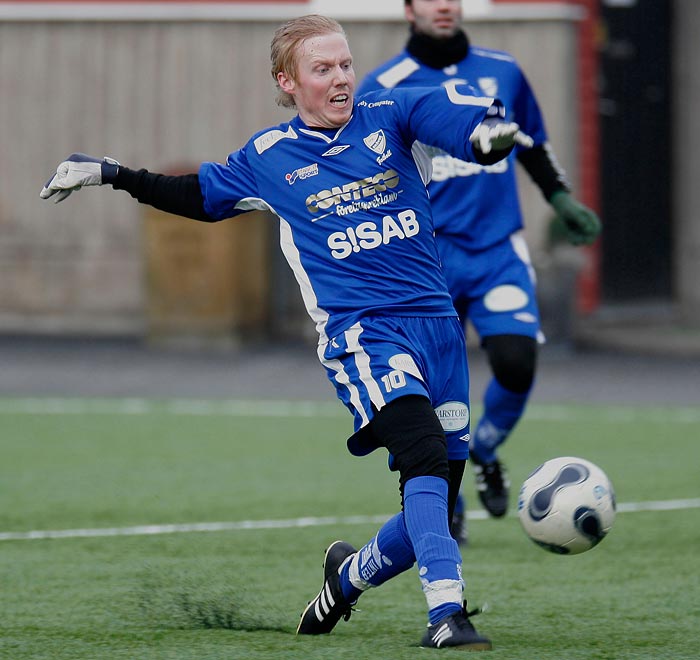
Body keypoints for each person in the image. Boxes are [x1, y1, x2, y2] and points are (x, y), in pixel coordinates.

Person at [40, 14, 532, 650]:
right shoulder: (269, 158)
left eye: (345, 65)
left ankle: (346, 578)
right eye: (322, 69)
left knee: (428, 506)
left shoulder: (390, 112)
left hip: (438, 329)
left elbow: (456, 123)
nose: (340, 79)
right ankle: (446, 612)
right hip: (366, 336)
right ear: (287, 81)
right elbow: (197, 196)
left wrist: (487, 134)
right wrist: (113, 174)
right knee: (423, 460)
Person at [357, 0, 601, 544]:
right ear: (409, 8)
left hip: (495, 252)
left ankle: (487, 449)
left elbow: (533, 143)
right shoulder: (384, 84)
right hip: (426, 262)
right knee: (437, 393)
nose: (444, 5)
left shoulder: (503, 70)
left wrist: (561, 201)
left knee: (516, 362)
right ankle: (449, 498)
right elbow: (366, 169)